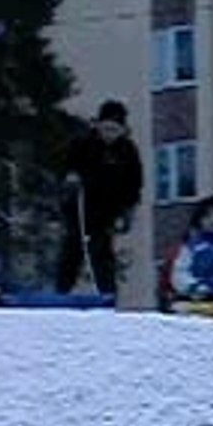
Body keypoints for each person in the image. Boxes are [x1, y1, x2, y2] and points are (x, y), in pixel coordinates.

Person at [56, 99, 143, 296]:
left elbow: (134, 184)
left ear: (122, 130)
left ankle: (107, 293)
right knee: (73, 249)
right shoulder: (83, 144)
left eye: (114, 130)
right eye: (106, 129)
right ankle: (61, 291)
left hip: (107, 212)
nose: (109, 135)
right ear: (98, 126)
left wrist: (128, 211)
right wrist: (70, 178)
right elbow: (66, 165)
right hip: (80, 207)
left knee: (102, 252)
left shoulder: (127, 151)